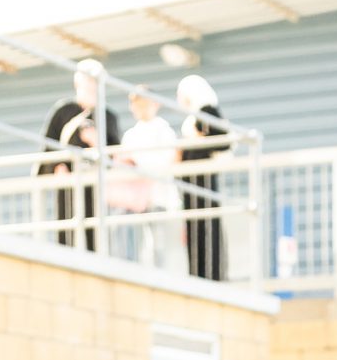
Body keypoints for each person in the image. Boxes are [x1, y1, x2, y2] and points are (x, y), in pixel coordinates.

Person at [40, 62, 110, 251]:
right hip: (68, 181)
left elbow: (114, 152)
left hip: (94, 181)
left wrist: (95, 140)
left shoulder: (106, 115)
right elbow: (49, 144)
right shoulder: (63, 111)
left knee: (95, 227)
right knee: (66, 225)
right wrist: (57, 166)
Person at [118, 85, 181, 271]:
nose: (138, 108)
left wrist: (138, 162)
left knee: (158, 243)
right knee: (138, 243)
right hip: (136, 198)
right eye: (135, 104)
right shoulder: (131, 135)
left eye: (142, 103)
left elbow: (166, 161)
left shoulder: (163, 131)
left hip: (159, 196)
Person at [175, 74, 230, 282]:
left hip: (203, 182)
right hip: (191, 185)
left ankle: (210, 276)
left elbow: (224, 141)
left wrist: (199, 140)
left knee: (206, 229)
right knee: (194, 231)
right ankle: (197, 276)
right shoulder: (192, 118)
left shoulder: (207, 111)